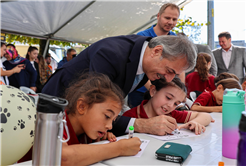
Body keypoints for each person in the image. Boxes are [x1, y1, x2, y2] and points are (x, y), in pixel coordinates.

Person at [42, 34, 197, 136]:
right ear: (156, 51)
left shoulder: (147, 63)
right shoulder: (111, 53)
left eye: (174, 74)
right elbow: (97, 107)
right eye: (169, 70)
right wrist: (142, 124)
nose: (169, 79)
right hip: (56, 112)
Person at [19, 73, 141, 165]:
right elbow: (62, 157)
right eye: (107, 116)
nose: (110, 126)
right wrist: (119, 148)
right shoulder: (54, 121)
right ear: (82, 106)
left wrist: (100, 140)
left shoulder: (86, 132)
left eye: (113, 120)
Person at [128, 3, 180, 108]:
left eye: (174, 19)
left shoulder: (176, 40)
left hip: (164, 93)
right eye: (167, 18)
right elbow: (138, 68)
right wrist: (155, 90)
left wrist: (180, 90)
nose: (170, 22)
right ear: (158, 16)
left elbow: (179, 68)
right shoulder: (142, 37)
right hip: (140, 92)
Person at [123, 78, 213, 135]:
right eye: (168, 97)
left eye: (176, 104)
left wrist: (194, 122)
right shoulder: (130, 116)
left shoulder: (171, 114)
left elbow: (206, 116)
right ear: (153, 91)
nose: (170, 105)